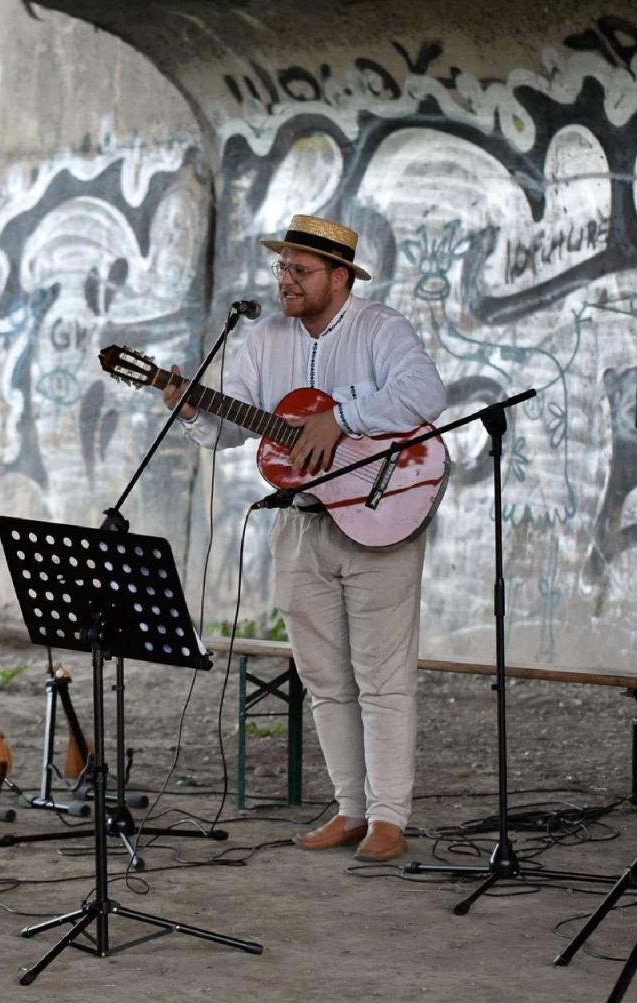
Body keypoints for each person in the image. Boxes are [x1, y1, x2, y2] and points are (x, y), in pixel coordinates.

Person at [163, 214, 447, 863]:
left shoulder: (380, 328)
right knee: (323, 677)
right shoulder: (264, 338)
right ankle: (350, 807)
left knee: (382, 674)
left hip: (380, 516)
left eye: (300, 270)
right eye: (281, 267)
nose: (285, 280)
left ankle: (389, 816)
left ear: (339, 277)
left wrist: (340, 417)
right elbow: (231, 427)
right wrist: (189, 408)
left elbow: (425, 393)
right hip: (297, 522)